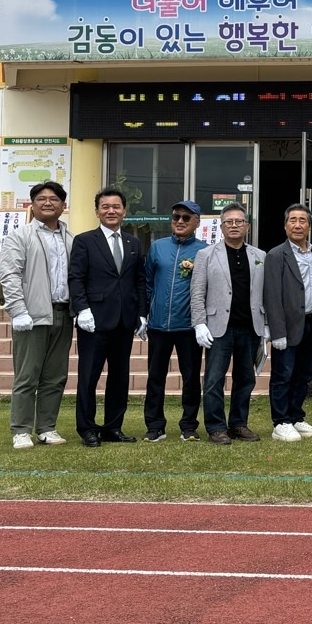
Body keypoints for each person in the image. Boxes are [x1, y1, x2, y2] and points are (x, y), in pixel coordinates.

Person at [0, 181, 74, 449]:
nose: (47, 203)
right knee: (27, 375)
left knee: (55, 376)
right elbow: (9, 275)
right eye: (41, 198)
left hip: (63, 314)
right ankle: (20, 430)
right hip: (31, 315)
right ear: (32, 204)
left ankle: (46, 428)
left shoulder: (71, 238)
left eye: (54, 199)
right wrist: (18, 310)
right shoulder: (20, 236)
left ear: (63, 206)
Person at [69, 187, 147, 447]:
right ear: (97, 211)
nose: (111, 211)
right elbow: (76, 278)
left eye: (116, 206)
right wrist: (82, 309)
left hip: (124, 321)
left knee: (119, 377)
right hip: (94, 320)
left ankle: (113, 427)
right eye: (105, 207)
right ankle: (87, 429)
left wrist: (142, 314)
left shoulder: (133, 242)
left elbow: (139, 281)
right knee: (88, 377)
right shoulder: (84, 241)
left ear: (124, 211)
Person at [191, 203, 267, 446]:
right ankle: (215, 428)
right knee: (214, 380)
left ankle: (238, 424)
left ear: (247, 225)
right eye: (229, 222)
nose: (234, 226)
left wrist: (266, 324)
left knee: (246, 379)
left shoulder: (259, 256)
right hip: (218, 327)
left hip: (250, 327)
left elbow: (264, 293)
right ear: (221, 227)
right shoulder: (206, 255)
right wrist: (199, 323)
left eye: (239, 222)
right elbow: (197, 292)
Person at [141, 200, 207, 443]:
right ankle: (155, 425)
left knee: (191, 378)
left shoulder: (204, 251)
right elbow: (147, 283)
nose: (180, 221)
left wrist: (203, 322)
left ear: (197, 222)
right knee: (155, 377)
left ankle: (189, 425)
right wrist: (143, 314)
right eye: (176, 216)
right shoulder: (158, 247)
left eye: (186, 218)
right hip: (158, 325)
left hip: (189, 326)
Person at [263, 204, 312, 443]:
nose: (298, 225)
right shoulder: (276, 255)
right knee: (283, 374)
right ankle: (280, 422)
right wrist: (276, 330)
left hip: (310, 324)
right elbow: (271, 294)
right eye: (293, 220)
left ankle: (296, 417)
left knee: (304, 374)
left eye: (303, 221)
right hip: (286, 327)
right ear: (285, 225)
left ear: (309, 226)